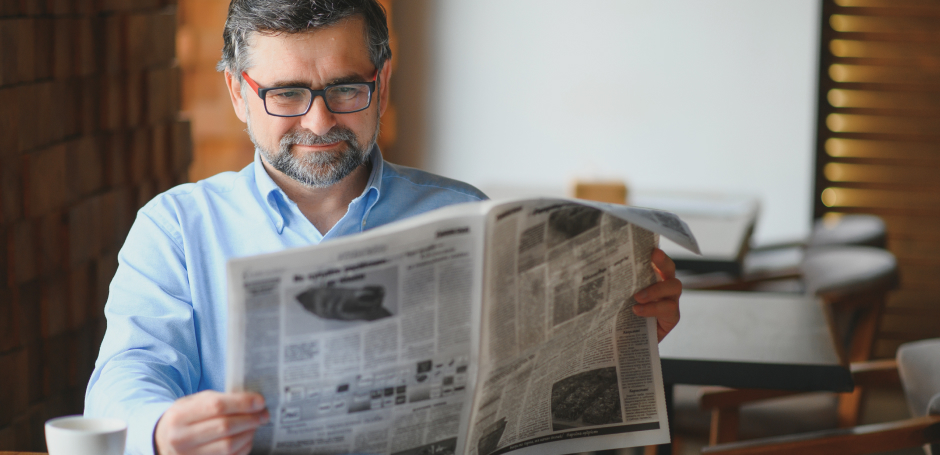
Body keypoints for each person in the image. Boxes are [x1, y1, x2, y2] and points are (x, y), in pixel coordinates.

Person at [83, 1, 682, 454]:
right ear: (239, 94)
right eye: (286, 94)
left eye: (346, 88)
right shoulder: (176, 227)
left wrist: (621, 334)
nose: (318, 121)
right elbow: (126, 374)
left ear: (383, 83)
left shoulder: (464, 214)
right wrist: (160, 430)